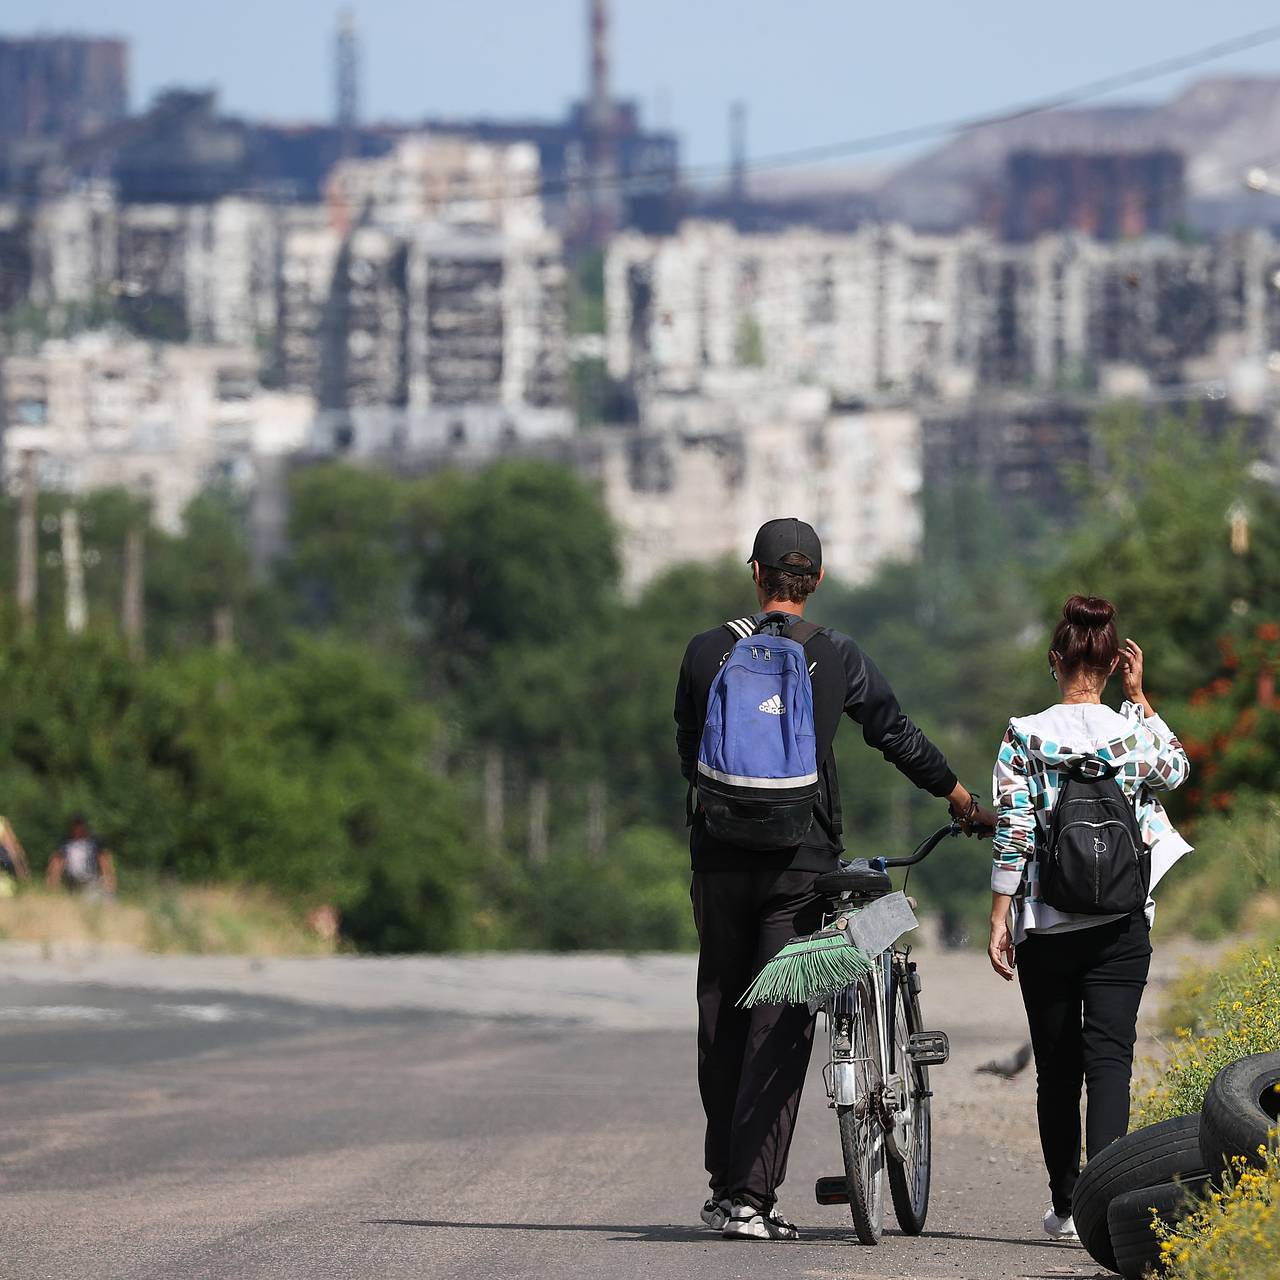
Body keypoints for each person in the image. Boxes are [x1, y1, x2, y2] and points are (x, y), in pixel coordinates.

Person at [675, 517, 996, 1242]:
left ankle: (725, 1188)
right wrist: (961, 800)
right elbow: (896, 733)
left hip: (719, 862)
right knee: (780, 1022)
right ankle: (752, 1198)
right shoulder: (837, 656)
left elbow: (689, 754)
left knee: (721, 1013)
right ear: (815, 581)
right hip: (803, 863)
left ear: (755, 574)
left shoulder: (704, 653)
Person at [987, 595, 1191, 1243]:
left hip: (1046, 925)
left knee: (1056, 1067)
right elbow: (1177, 770)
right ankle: (1105, 1207)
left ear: (1056, 662)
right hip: (1122, 922)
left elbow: (1014, 834)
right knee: (1110, 1061)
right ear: (1109, 664)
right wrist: (1142, 699)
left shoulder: (1024, 735)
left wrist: (999, 915)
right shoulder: (1132, 734)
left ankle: (1067, 1207)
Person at [46, 815, 117, 897]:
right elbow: (57, 861)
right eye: (75, 826)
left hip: (91, 882)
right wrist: (53, 881)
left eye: (80, 826)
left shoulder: (94, 842)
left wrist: (109, 879)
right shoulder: (66, 843)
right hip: (72, 882)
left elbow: (104, 860)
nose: (77, 829)